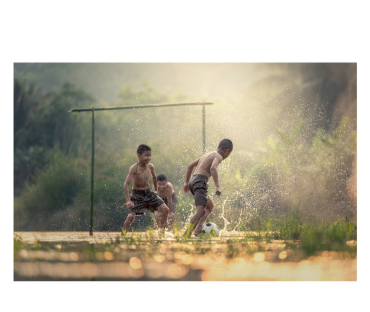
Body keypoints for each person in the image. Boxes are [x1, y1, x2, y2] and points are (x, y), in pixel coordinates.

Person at [183, 139, 233, 237]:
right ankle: (185, 236)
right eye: (229, 153)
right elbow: (213, 168)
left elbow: (190, 166)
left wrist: (186, 183)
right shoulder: (218, 156)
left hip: (193, 181)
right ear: (227, 151)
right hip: (200, 181)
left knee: (209, 206)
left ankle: (197, 231)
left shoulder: (207, 154)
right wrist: (217, 186)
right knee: (200, 211)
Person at [122, 144, 169, 235]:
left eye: (150, 155)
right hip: (137, 195)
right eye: (146, 155)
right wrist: (128, 200)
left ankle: (162, 233)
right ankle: (122, 235)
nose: (149, 158)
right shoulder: (134, 168)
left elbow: (154, 178)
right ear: (139, 155)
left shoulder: (150, 166)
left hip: (149, 193)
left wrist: (155, 191)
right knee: (131, 216)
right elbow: (126, 185)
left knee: (165, 210)